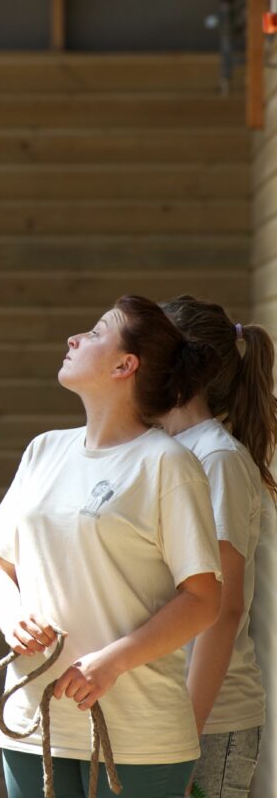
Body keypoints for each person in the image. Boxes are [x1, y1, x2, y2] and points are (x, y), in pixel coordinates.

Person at [0, 295, 223, 798]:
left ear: (124, 365)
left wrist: (110, 663)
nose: (74, 339)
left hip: (140, 741)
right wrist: (11, 618)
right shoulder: (43, 449)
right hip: (32, 728)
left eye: (94, 333)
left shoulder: (167, 464)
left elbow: (204, 599)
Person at [159, 296, 277, 798]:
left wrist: (182, 738)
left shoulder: (219, 460)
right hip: (167, 719)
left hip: (208, 721)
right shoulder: (168, 451)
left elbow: (224, 611)